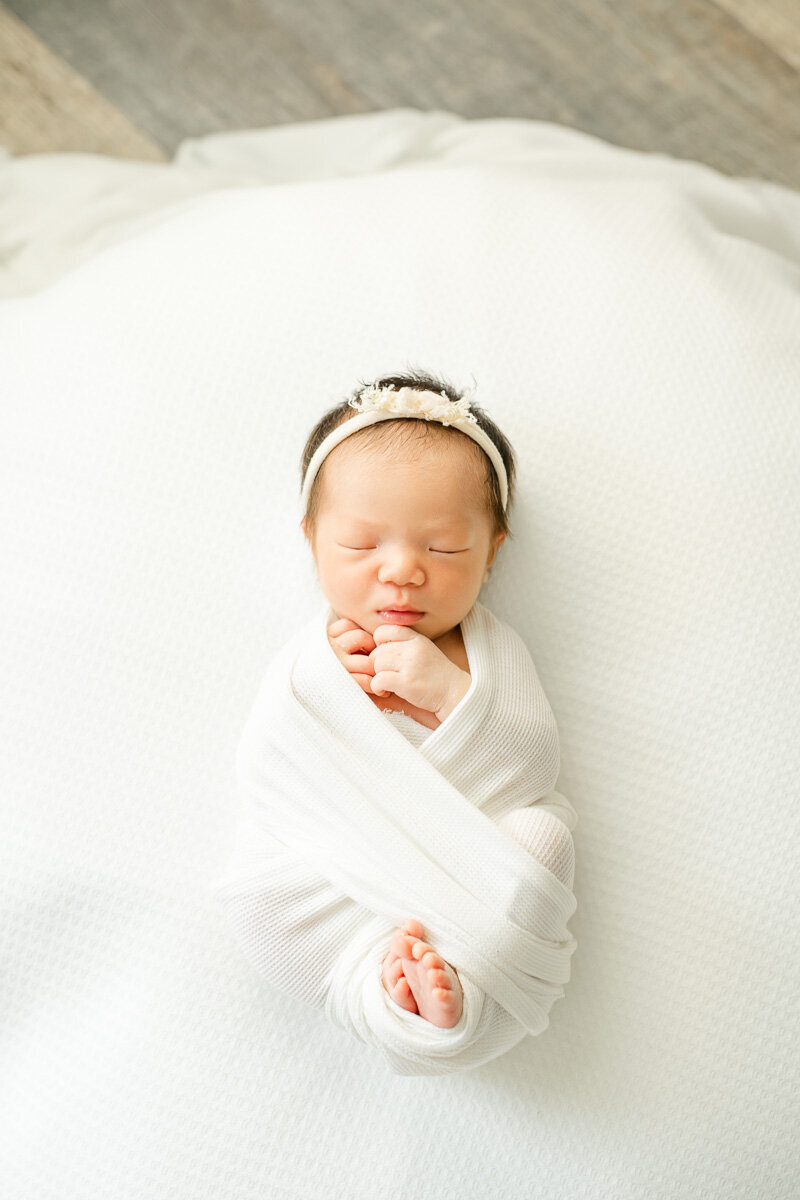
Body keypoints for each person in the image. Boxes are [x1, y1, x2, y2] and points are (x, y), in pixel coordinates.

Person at [298, 367, 575, 1030]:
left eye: (444, 546)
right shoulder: (313, 660)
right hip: (345, 872)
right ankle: (372, 989)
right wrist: (322, 688)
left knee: (544, 836)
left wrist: (451, 692)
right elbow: (275, 764)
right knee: (258, 902)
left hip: (468, 875)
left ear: (492, 554)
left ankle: (456, 987)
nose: (401, 569)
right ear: (311, 539)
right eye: (361, 545)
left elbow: (534, 762)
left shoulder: (488, 652)